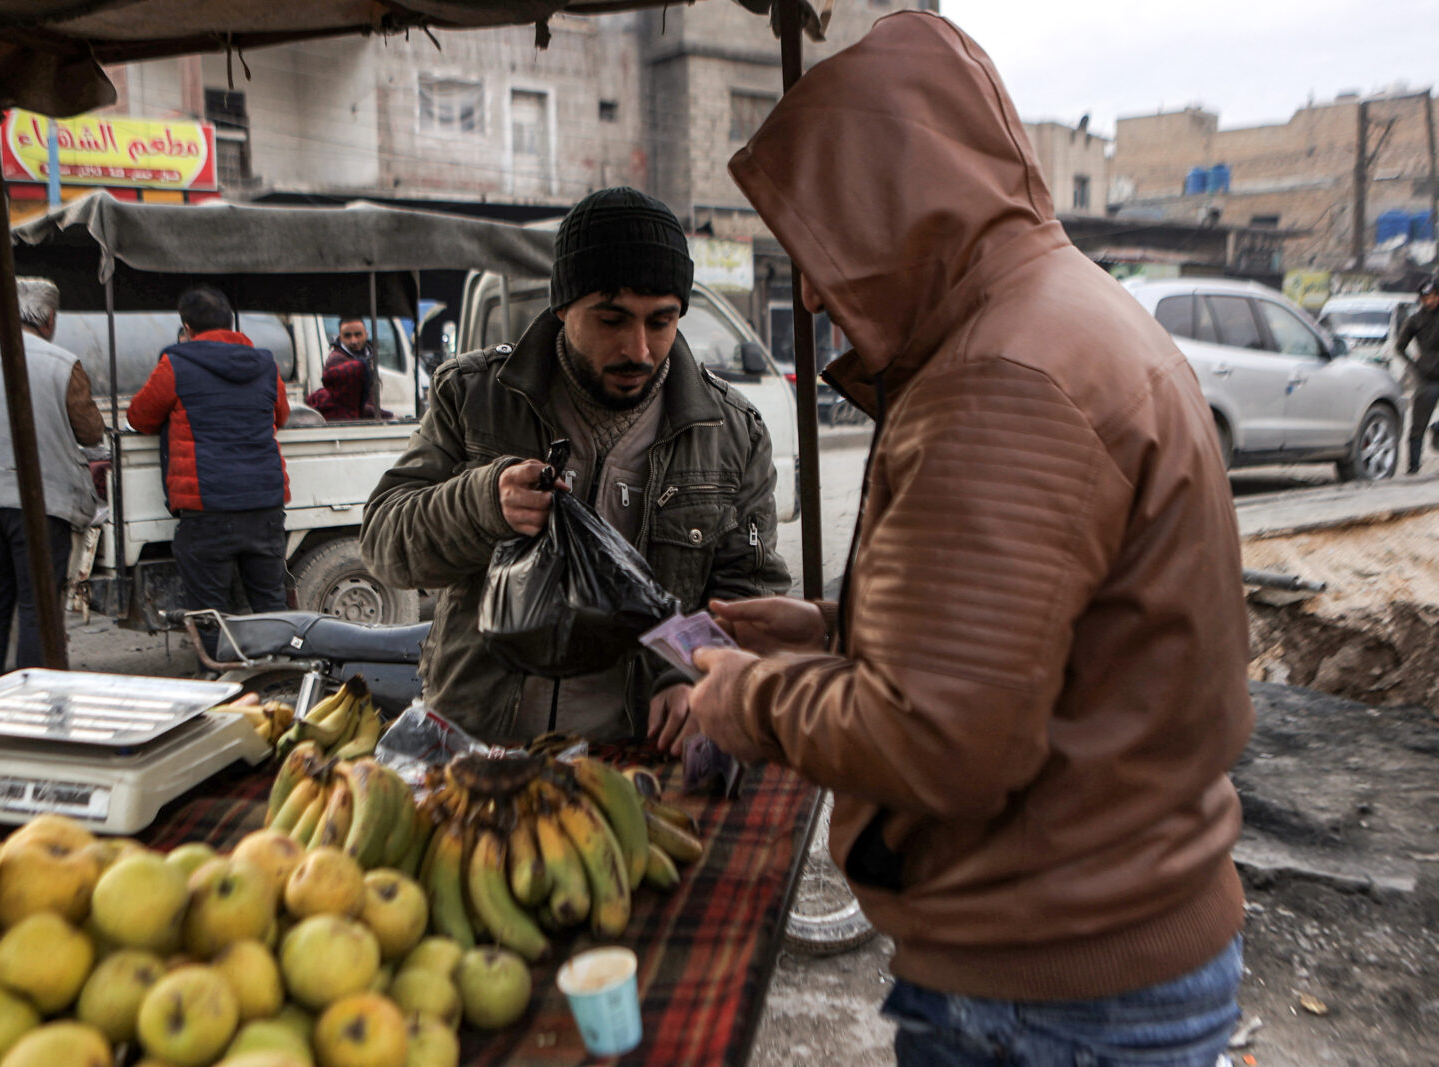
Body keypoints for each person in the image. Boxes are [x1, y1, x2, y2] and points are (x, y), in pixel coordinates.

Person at [685, 13, 1253, 1066]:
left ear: (897, 205)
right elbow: (1052, 637)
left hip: (1058, 989)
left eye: (822, 244)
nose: (811, 290)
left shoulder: (1003, 377)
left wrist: (737, 697)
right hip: (1102, 945)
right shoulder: (1063, 314)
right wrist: (830, 626)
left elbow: (940, 739)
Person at [362, 186, 789, 746]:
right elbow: (383, 542)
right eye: (611, 319)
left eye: (661, 322)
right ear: (562, 305)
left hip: (635, 757)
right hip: (481, 744)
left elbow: (747, 598)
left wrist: (691, 673)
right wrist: (483, 503)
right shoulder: (472, 396)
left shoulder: (732, 431)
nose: (638, 349)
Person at [0, 278, 104, 680]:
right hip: (41, 501)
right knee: (37, 604)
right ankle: (37, 697)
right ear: (49, 317)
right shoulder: (62, 362)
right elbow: (90, 432)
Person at [126, 287, 291, 627]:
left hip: (207, 510)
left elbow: (139, 418)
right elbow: (282, 416)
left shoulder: (176, 365)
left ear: (186, 327)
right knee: (271, 607)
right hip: (264, 506)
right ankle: (279, 676)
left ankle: (219, 675)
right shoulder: (265, 365)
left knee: (209, 615)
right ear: (231, 324)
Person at [1395, 276, 1439, 474]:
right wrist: (1415, 366)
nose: (1429, 301)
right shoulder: (1415, 320)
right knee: (1417, 425)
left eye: (1432, 297)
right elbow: (1400, 347)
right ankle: (1413, 466)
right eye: (1425, 298)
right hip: (1427, 377)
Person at [306, 316, 384, 421]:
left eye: (358, 334)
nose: (353, 340)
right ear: (340, 337)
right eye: (347, 336)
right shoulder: (336, 361)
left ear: (366, 334)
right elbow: (351, 402)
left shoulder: (368, 356)